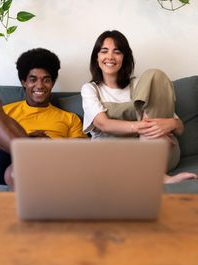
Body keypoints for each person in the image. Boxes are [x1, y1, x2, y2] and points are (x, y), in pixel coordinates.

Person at [81, 30, 198, 184]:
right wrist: (142, 127)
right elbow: (103, 124)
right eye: (104, 51)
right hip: (116, 154)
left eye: (117, 52)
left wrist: (169, 124)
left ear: (124, 58)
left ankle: (151, 170)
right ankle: (158, 177)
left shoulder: (139, 85)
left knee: (154, 74)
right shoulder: (90, 89)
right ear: (96, 58)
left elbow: (179, 127)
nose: (110, 57)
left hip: (157, 151)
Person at [0, 48, 86, 189]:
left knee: (14, 173)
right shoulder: (4, 113)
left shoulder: (70, 118)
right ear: (24, 82)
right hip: (4, 160)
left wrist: (47, 144)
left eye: (46, 80)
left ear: (52, 83)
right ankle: (26, 148)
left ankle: (27, 152)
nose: (39, 85)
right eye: (33, 79)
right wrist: (25, 139)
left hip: (42, 166)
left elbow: (81, 153)